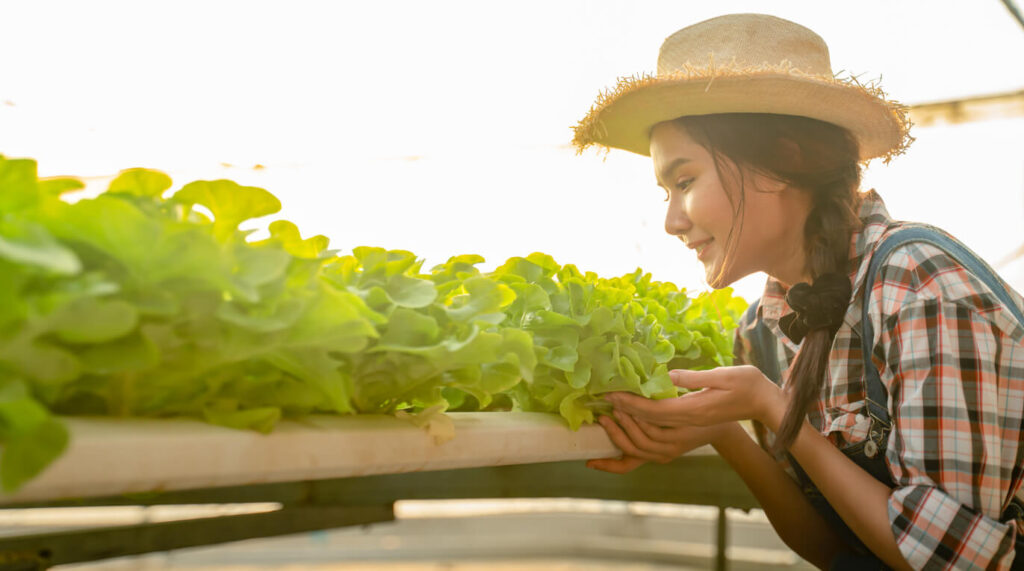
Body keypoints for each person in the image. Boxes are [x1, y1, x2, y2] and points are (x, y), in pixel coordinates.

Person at [573, 13, 1024, 571]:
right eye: (666, 190)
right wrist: (725, 430)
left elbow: (951, 562)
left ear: (782, 164)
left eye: (684, 182)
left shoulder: (917, 284)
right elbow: (831, 549)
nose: (670, 221)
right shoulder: (760, 331)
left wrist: (771, 406)